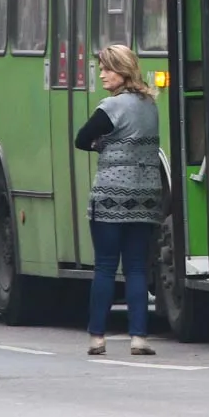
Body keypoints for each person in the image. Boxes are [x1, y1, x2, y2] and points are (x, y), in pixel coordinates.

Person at [77, 44, 167, 357]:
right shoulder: (150, 105)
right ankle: (139, 338)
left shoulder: (110, 108)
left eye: (107, 69)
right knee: (137, 269)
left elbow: (80, 139)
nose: (101, 75)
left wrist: (101, 144)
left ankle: (97, 338)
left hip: (110, 197)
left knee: (104, 267)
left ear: (122, 71)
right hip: (145, 196)